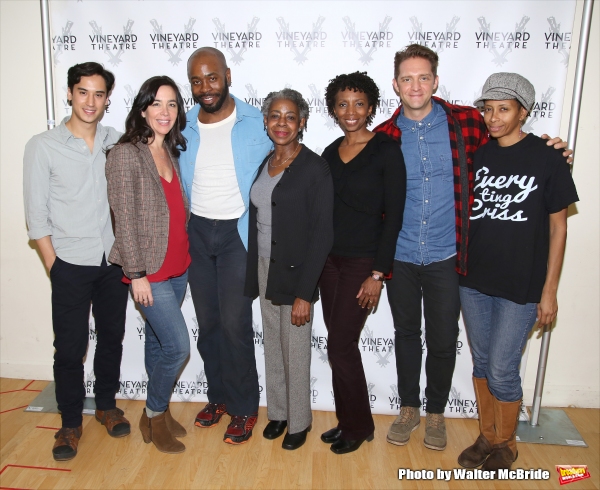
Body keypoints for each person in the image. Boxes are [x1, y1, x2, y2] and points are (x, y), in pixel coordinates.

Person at [374, 44, 572, 452]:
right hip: (401, 255)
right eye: (407, 78)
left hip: (451, 256)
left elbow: (516, 141)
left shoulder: (467, 121)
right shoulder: (383, 136)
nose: (416, 85)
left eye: (423, 77)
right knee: (406, 333)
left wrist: (555, 148)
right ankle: (409, 407)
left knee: (445, 339)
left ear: (435, 81)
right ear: (396, 85)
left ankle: (435, 414)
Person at [457, 73, 578, 471]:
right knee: (481, 364)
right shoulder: (479, 153)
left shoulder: (548, 158)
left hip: (521, 286)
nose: (493, 117)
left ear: (523, 112)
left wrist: (549, 292)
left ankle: (506, 443)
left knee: (502, 368)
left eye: (503, 109)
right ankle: (488, 436)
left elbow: (559, 228)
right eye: (488, 109)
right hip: (473, 281)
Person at [23, 62, 130, 461]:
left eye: (99, 94)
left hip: (112, 262)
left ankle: (106, 405)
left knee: (112, 340)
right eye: (83, 92)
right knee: (69, 349)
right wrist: (55, 265)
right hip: (68, 262)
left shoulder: (116, 142)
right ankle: (69, 424)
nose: (90, 101)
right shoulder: (42, 146)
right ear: (69, 93)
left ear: (107, 99)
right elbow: (36, 216)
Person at [179, 47, 272, 445]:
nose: (205, 88)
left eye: (212, 78)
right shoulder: (182, 126)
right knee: (209, 324)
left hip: (237, 234)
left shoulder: (258, 120)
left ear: (228, 74)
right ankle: (217, 397)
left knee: (235, 325)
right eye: (197, 81)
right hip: (197, 232)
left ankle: (245, 406)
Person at [320, 72, 406, 454]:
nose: (350, 111)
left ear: (371, 107)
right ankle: (348, 421)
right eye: (342, 104)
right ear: (333, 109)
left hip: (362, 264)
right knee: (341, 346)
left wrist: (377, 273)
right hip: (329, 263)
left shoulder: (387, 150)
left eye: (358, 103)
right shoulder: (329, 151)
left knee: (340, 345)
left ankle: (359, 426)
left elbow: (395, 216)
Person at [244, 89, 333, 450]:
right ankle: (278, 413)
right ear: (266, 122)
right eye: (275, 116)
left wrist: (305, 293)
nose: (282, 123)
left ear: (302, 123)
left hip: (297, 272)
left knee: (295, 349)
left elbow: (323, 234)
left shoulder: (314, 168)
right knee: (273, 346)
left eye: (290, 116)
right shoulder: (265, 162)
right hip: (265, 266)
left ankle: (300, 421)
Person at [106, 76, 191, 454]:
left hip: (179, 266)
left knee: (159, 345)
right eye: (157, 103)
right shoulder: (126, 153)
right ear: (142, 108)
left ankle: (159, 413)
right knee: (178, 347)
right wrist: (136, 275)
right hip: (149, 272)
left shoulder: (169, 151)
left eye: (172, 104)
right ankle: (153, 414)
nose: (165, 111)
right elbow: (122, 219)